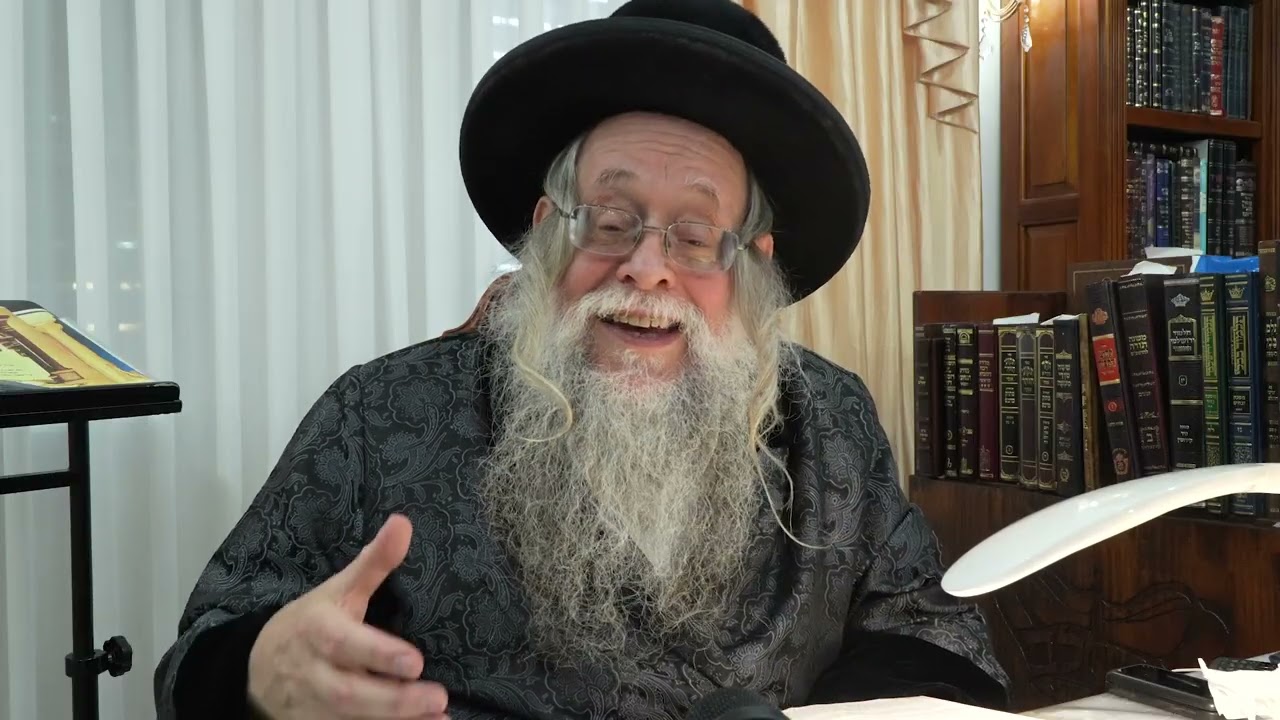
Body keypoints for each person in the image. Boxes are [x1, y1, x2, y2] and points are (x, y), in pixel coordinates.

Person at [154, 1, 1010, 718]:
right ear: (546, 230)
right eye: (609, 221)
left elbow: (930, 630)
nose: (647, 267)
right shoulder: (383, 413)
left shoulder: (832, 417)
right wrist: (259, 671)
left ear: (752, 261)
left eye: (695, 235)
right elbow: (205, 650)